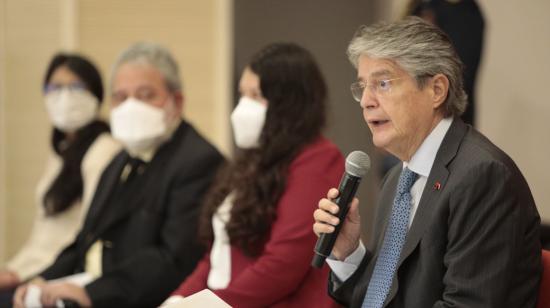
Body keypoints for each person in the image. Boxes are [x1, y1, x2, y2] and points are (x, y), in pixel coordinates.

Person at [313, 17, 541, 308]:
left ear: (436, 90)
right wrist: (348, 254)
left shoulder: (483, 176)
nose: (366, 101)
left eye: (382, 83)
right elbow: (385, 298)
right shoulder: (398, 177)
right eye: (363, 87)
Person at [12, 42, 224, 308]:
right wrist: (42, 279)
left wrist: (92, 293)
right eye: (120, 97)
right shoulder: (119, 161)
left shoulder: (198, 162)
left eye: (145, 95)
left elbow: (173, 260)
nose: (130, 106)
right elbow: (85, 239)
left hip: (132, 297)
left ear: (177, 101)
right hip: (87, 284)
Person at [167, 43, 344, 307]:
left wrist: (209, 305)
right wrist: (178, 298)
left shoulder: (319, 160)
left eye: (256, 96)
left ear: (289, 103)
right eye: (242, 95)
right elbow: (218, 256)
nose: (243, 107)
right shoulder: (252, 158)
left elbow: (283, 265)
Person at [0, 53, 121, 291]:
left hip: (59, 275)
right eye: (55, 87)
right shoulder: (61, 152)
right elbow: (42, 234)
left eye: (75, 87)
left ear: (95, 94)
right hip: (30, 271)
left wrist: (29, 277)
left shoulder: (104, 150)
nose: (64, 97)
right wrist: (14, 269)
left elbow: (86, 235)